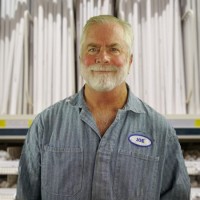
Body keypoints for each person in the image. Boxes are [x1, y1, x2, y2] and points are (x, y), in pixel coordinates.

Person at [16, 15, 190, 200]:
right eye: (93, 49)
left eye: (114, 49)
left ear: (130, 61)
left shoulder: (159, 131)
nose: (103, 58)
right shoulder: (46, 126)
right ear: (81, 59)